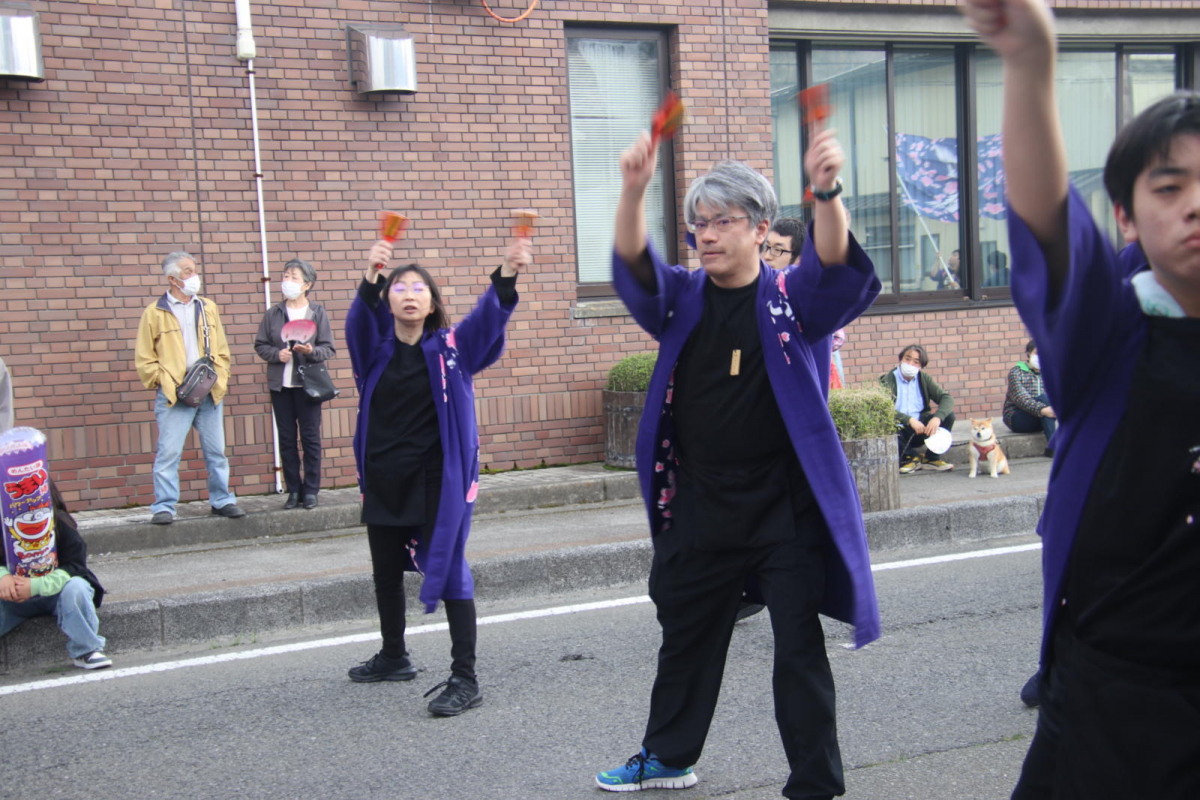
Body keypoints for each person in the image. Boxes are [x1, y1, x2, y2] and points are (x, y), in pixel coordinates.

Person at [594, 122, 881, 798]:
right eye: (699, 224)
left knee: (798, 647)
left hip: (782, 505)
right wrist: (633, 190)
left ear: (758, 228)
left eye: (723, 220)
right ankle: (667, 756)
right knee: (685, 633)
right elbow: (635, 263)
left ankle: (814, 781)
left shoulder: (791, 299)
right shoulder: (682, 299)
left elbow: (834, 261)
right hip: (701, 500)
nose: (708, 235)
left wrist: (826, 191)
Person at [961, 1, 1200, 797]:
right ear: (1127, 216)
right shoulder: (1109, 328)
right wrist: (1029, 63)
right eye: (1171, 187)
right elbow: (1047, 224)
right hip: (1109, 691)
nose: (1195, 204)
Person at [344, 231, 525, 718]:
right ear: (388, 301)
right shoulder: (374, 352)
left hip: (435, 484)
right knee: (385, 575)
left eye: (418, 288)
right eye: (398, 287)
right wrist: (369, 276)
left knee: (448, 573)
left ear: (431, 304)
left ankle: (465, 678)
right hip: (383, 478)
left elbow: (487, 322)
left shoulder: (451, 350)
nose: (408, 293)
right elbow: (357, 324)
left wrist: (507, 274)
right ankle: (394, 656)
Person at [0, 368, 110, 670]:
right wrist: (3, 578)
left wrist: (37, 587)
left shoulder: (60, 526)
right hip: (10, 596)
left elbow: (77, 569)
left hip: (53, 592)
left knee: (76, 590)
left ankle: (87, 649)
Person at [135, 251, 244, 525]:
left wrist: (221, 376)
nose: (194, 275)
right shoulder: (155, 312)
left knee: (216, 450)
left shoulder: (207, 306)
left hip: (208, 390)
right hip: (174, 394)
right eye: (187, 271)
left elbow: (221, 348)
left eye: (194, 269)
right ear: (172, 279)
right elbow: (145, 357)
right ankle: (164, 506)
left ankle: (222, 500)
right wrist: (161, 380)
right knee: (168, 452)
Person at [254, 258, 337, 510]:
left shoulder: (317, 312)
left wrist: (311, 350)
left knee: (310, 438)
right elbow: (261, 345)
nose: (287, 281)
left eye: (293, 277)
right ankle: (293, 491)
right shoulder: (274, 313)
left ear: (307, 284)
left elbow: (328, 348)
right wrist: (275, 355)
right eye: (285, 276)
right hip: (281, 386)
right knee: (287, 439)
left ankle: (311, 491)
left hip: (309, 386)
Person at [880, 344, 956, 473]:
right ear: (901, 359)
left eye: (916, 362)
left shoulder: (924, 379)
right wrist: (908, 420)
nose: (910, 364)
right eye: (907, 359)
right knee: (885, 424)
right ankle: (910, 458)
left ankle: (931, 458)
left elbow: (946, 398)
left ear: (921, 366)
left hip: (922, 428)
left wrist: (937, 418)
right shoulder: (887, 380)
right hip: (900, 429)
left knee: (949, 416)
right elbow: (884, 408)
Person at [1003, 340, 1056, 455]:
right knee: (1045, 398)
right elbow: (1021, 398)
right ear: (1028, 354)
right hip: (1017, 419)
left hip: (1042, 418)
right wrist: (1042, 410)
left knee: (1049, 399)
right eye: (1037, 353)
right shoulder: (1016, 372)